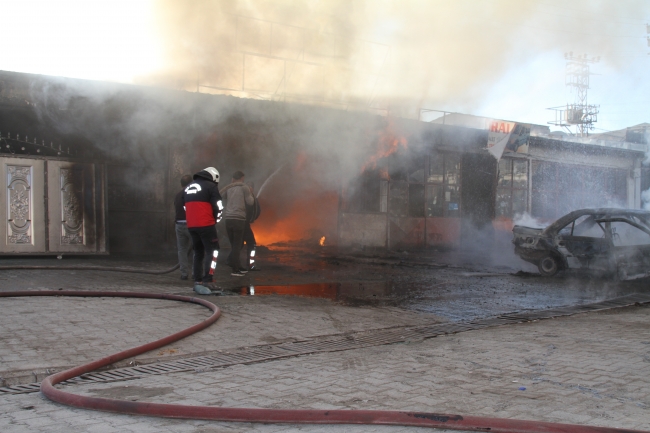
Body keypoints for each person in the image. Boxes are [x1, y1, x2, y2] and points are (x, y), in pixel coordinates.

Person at [183, 167, 223, 294]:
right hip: (206, 224)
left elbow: (185, 207)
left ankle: (198, 280)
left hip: (191, 226)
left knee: (198, 252)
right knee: (213, 251)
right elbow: (219, 206)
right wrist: (217, 219)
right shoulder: (211, 186)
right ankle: (208, 280)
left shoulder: (188, 187)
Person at [219, 170, 254, 277]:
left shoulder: (229, 188)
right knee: (237, 245)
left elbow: (222, 196)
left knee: (234, 244)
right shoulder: (244, 188)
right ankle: (235, 269)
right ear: (242, 178)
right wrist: (251, 192)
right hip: (239, 219)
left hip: (228, 219)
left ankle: (238, 266)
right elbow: (250, 202)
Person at [174, 174, 193, 280]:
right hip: (191, 224)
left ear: (181, 184)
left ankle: (184, 274)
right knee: (197, 249)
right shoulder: (193, 194)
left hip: (179, 224)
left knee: (182, 250)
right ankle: (196, 273)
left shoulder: (177, 195)